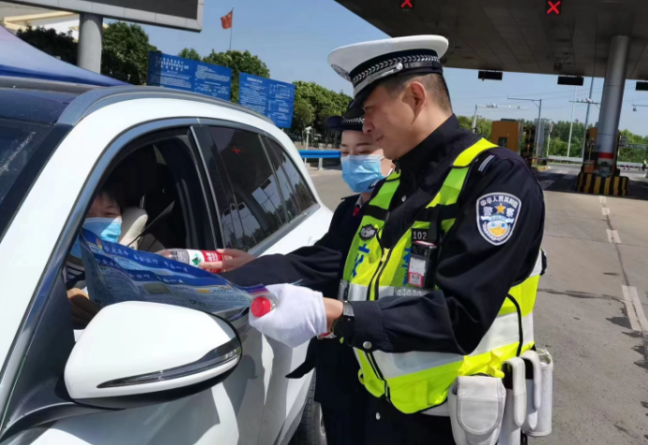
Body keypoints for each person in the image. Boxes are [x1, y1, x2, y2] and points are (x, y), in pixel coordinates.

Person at [247, 35, 546, 444]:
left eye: (370, 110)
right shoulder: (392, 187)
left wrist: (335, 316)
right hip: (384, 411)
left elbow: (461, 315)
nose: (366, 125)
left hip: (459, 426)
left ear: (416, 96)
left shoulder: (495, 179)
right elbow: (334, 262)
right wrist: (235, 274)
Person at [216, 115, 393, 445]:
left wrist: (228, 280)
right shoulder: (349, 210)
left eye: (363, 151)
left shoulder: (397, 215)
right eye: (345, 151)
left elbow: (321, 263)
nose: (352, 160)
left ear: (391, 156)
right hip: (336, 362)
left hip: (369, 363)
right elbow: (318, 257)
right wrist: (258, 263)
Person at [65, 178, 125, 327]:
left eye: (109, 214)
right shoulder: (49, 261)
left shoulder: (129, 265)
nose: (99, 225)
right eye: (86, 215)